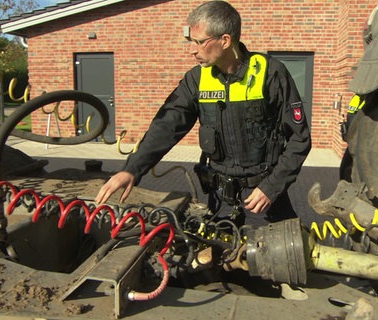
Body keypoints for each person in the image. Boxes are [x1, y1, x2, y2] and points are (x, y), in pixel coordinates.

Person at [95, 0, 311, 225]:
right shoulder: (197, 80)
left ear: (225, 40)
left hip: (266, 199)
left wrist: (271, 187)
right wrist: (132, 169)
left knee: (287, 257)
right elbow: (167, 125)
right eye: (191, 41)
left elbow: (300, 138)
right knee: (209, 257)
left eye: (199, 42)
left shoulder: (270, 73)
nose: (192, 49)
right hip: (220, 201)